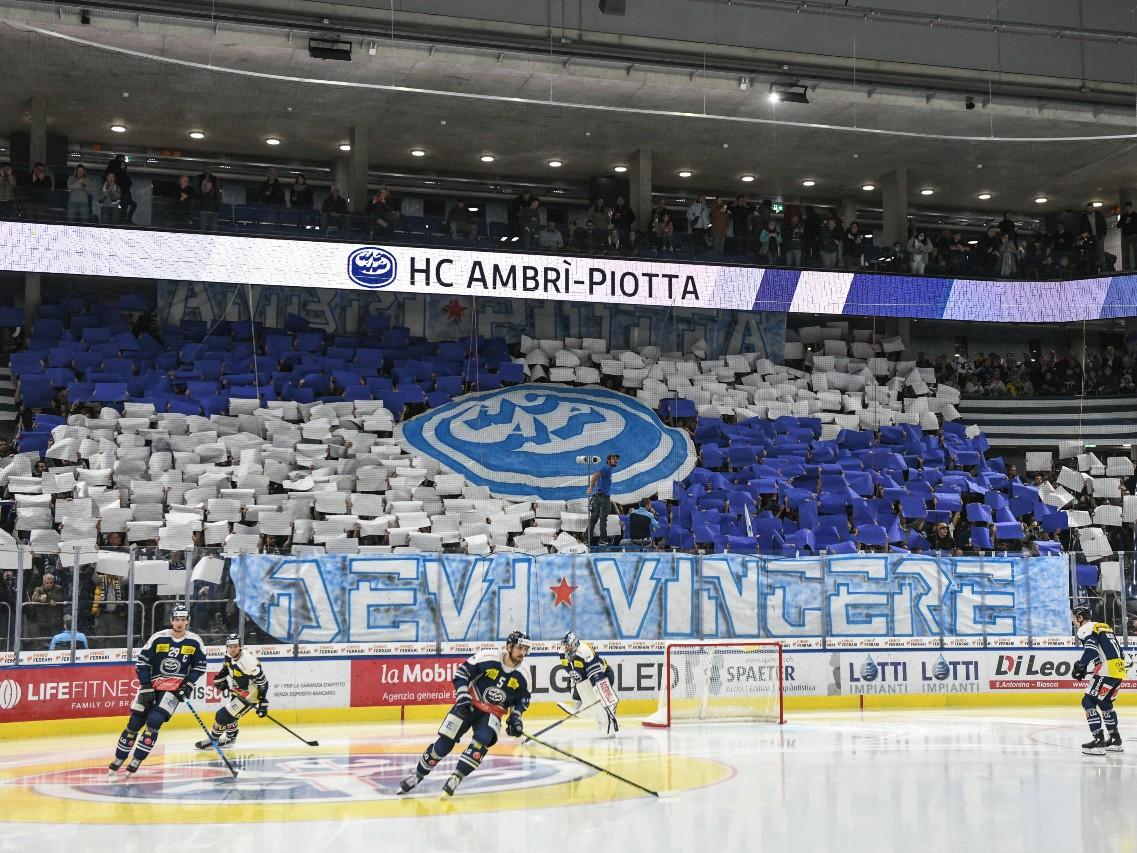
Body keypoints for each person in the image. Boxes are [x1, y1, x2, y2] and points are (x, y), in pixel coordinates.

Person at [399, 630, 531, 796]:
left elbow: (523, 701)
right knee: (445, 742)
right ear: (509, 646)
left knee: (481, 744)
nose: (523, 652)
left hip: (492, 713)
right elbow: (462, 673)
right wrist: (462, 696)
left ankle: (456, 777)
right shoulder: (488, 657)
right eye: (520, 648)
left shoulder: (524, 674)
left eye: (526, 649)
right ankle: (417, 775)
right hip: (469, 704)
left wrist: (516, 717)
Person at [108, 604, 206, 775]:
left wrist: (188, 684)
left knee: (154, 721)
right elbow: (142, 663)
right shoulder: (158, 638)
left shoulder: (195, 641)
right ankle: (119, 757)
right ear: (171, 620)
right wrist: (145, 686)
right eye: (176, 619)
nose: (179, 623)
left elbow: (200, 666)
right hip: (151, 687)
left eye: (183, 620)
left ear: (188, 621)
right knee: (134, 723)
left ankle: (137, 758)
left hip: (173, 691)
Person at [195, 634, 269, 750]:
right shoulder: (229, 655)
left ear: (240, 647)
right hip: (238, 691)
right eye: (230, 646)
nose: (232, 649)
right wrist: (220, 678)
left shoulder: (248, 662)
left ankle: (213, 740)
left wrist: (263, 702)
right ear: (227, 647)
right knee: (230, 716)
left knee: (222, 716)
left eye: (235, 646)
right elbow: (227, 667)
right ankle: (230, 739)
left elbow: (263, 683)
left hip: (249, 696)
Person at [1071, 605, 1125, 755]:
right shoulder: (1104, 626)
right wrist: (1098, 663)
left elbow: (1091, 649)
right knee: (1104, 702)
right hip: (1119, 668)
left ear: (1080, 617)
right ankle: (1115, 739)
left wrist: (1081, 666)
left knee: (1088, 701)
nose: (1074, 621)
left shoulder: (1085, 628)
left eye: (1075, 618)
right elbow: (1112, 649)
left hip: (1106, 671)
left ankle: (1098, 741)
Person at [558, 631, 618, 735]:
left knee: (601, 702)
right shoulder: (562, 653)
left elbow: (597, 679)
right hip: (586, 679)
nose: (565, 649)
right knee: (579, 692)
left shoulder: (585, 652)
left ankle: (610, 720)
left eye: (568, 646)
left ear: (574, 644)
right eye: (564, 646)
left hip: (604, 676)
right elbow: (575, 673)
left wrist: (601, 696)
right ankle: (598, 717)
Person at [586, 453, 619, 546]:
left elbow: (596, 477)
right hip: (603, 498)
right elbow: (595, 476)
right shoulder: (607, 468)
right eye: (613, 458)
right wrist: (591, 487)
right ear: (608, 460)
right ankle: (603, 540)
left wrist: (592, 488)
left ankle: (586, 539)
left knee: (594, 519)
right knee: (603, 519)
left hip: (598, 496)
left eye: (616, 459)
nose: (615, 460)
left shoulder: (608, 469)